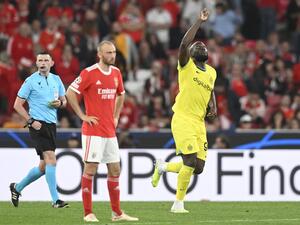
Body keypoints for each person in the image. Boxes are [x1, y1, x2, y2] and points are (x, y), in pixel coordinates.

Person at [151, 8, 217, 213]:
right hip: (183, 118)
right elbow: (183, 43)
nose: (201, 44)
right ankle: (178, 204)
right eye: (197, 44)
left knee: (198, 166)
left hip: (199, 122)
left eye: (202, 44)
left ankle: (164, 166)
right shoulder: (186, 66)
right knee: (189, 160)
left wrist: (213, 105)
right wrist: (198, 21)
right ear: (191, 53)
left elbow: (210, 90)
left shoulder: (212, 72)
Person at [66, 40, 138, 222]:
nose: (112, 55)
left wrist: (116, 116)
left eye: (113, 52)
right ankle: (88, 213)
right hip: (93, 130)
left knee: (115, 169)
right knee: (91, 168)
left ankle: (117, 213)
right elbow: (70, 92)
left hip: (109, 131)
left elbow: (121, 94)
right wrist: (82, 116)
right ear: (99, 54)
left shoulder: (116, 73)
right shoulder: (89, 73)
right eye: (108, 52)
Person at [10, 53, 69, 208]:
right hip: (37, 125)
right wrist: (31, 121)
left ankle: (17, 187)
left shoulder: (56, 79)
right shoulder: (30, 81)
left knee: (43, 166)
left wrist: (60, 104)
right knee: (51, 158)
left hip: (51, 125)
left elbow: (64, 101)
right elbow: (17, 105)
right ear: (36, 63)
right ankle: (55, 200)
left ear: (51, 63)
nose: (43, 62)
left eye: (46, 60)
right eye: (40, 60)